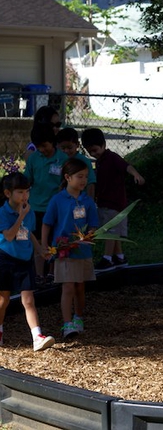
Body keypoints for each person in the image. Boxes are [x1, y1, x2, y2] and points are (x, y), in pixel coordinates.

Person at [42, 158, 99, 339]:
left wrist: (88, 236)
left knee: (80, 287)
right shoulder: (57, 200)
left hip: (82, 251)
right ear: (67, 177)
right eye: (79, 176)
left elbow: (94, 226)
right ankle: (67, 324)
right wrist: (45, 246)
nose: (83, 180)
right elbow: (47, 223)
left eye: (86, 177)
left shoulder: (88, 201)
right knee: (68, 287)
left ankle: (78, 317)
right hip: (63, 250)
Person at [0, 173, 55, 351]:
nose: (25, 196)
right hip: (5, 258)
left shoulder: (28, 210)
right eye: (20, 192)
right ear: (8, 193)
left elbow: (29, 232)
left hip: (25, 259)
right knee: (3, 300)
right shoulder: (3, 212)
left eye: (27, 191)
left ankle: (37, 336)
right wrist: (21, 216)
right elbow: (8, 235)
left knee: (29, 299)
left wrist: (40, 249)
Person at [81, 128, 145, 272]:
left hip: (114, 203)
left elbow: (126, 166)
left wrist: (136, 175)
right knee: (113, 230)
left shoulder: (112, 157)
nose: (93, 154)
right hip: (105, 201)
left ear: (104, 145)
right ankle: (119, 256)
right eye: (90, 152)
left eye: (95, 150)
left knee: (110, 231)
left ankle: (107, 258)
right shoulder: (100, 161)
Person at [24, 122, 69, 284]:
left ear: (53, 142)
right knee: (38, 241)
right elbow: (27, 180)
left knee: (54, 240)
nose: (42, 150)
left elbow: (67, 183)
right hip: (36, 207)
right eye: (38, 147)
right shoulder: (34, 159)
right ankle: (39, 274)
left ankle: (52, 272)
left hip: (56, 208)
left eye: (44, 146)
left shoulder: (63, 159)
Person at [56, 127, 96, 198]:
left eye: (70, 148)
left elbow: (90, 183)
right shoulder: (58, 160)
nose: (66, 151)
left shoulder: (84, 161)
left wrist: (90, 201)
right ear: (58, 146)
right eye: (63, 148)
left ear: (77, 144)